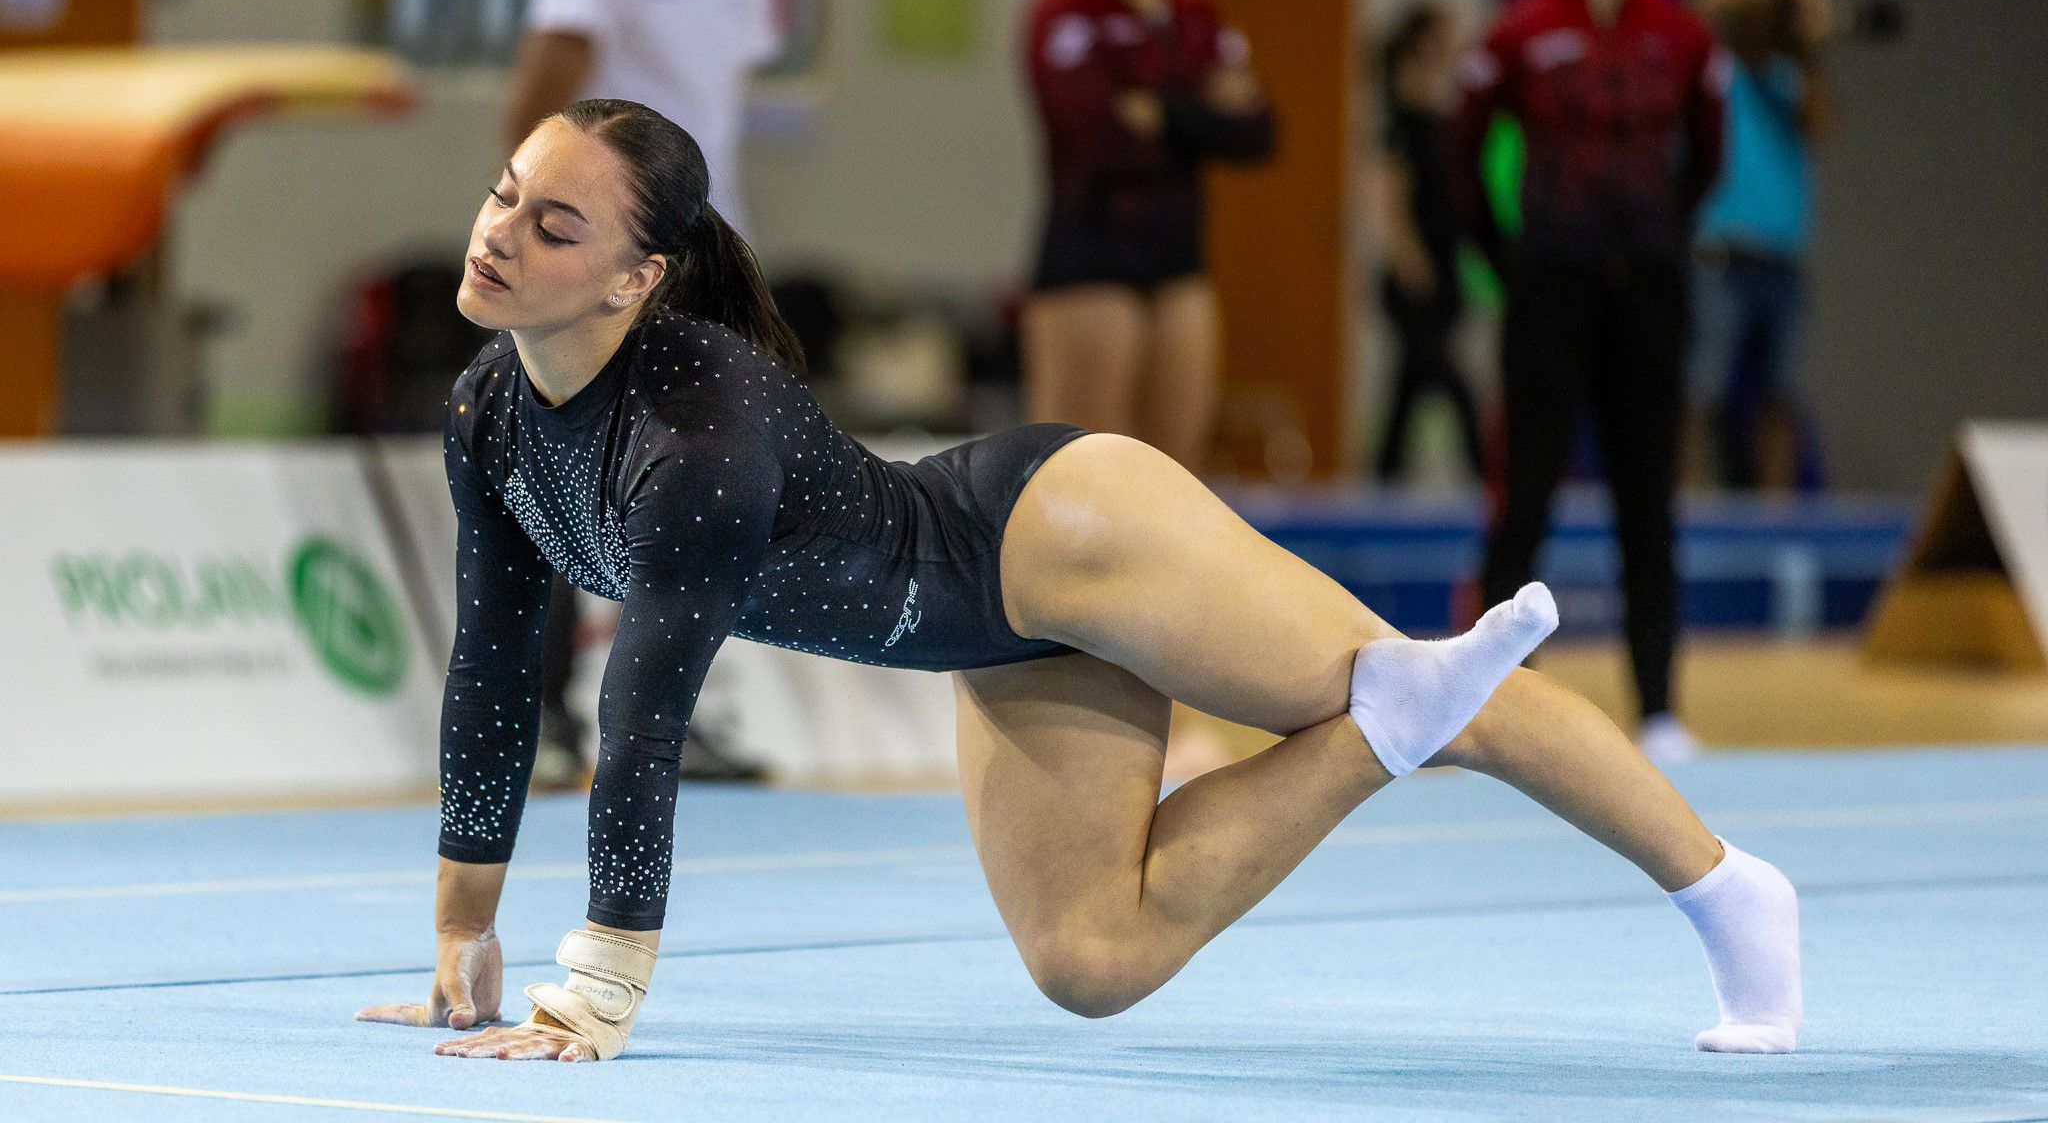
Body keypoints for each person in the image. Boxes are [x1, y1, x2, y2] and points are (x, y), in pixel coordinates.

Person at [354, 100, 1801, 1062]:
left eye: (557, 223)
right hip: (986, 638)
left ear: (634, 279)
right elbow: (492, 659)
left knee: (1463, 705)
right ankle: (1385, 727)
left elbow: (643, 714)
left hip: (1060, 534)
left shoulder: (700, 429)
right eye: (505, 195)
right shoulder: (489, 411)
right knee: (1093, 963)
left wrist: (595, 991)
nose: (499, 232)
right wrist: (464, 927)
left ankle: (1735, 895)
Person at [501, 0, 785, 787]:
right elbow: (560, 50)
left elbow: (711, 92)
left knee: (687, 490)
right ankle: (538, 714)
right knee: (558, 472)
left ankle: (669, 716)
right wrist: (531, 216)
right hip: (598, 244)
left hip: (708, 242)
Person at [1450, 0, 1727, 763]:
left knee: (1647, 500)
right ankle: (1489, 702)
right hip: (1549, 284)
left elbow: (1707, 154)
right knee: (1525, 490)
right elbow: (1460, 149)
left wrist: (1658, 239)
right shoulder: (1519, 29)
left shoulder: (1683, 35)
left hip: (1646, 289)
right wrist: (1511, 258)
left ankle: (1660, 707)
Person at [1020, 0, 1274, 473]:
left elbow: (1256, 133)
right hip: (1091, 258)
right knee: (1083, 473)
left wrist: (1162, 113)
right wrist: (1201, 114)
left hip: (1179, 260)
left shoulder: (1195, 14)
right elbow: (1097, 136)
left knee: (1178, 477)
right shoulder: (1069, 8)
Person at [1692, 0, 1834, 491]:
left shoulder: (1791, 78)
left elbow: (1819, 124)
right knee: (1700, 388)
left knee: (1784, 393)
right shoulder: (1719, 68)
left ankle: (1775, 515)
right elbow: (1707, 6)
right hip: (1723, 252)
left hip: (1782, 257)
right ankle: (1684, 501)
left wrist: (1808, 47)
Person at [1372, 0, 1486, 485]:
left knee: (1411, 384)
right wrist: (1405, 252)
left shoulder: (1438, 112)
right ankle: (1484, 472)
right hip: (1418, 266)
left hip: (1446, 260)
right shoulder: (1400, 116)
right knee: (1444, 377)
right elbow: (1386, 191)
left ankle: (1385, 475)